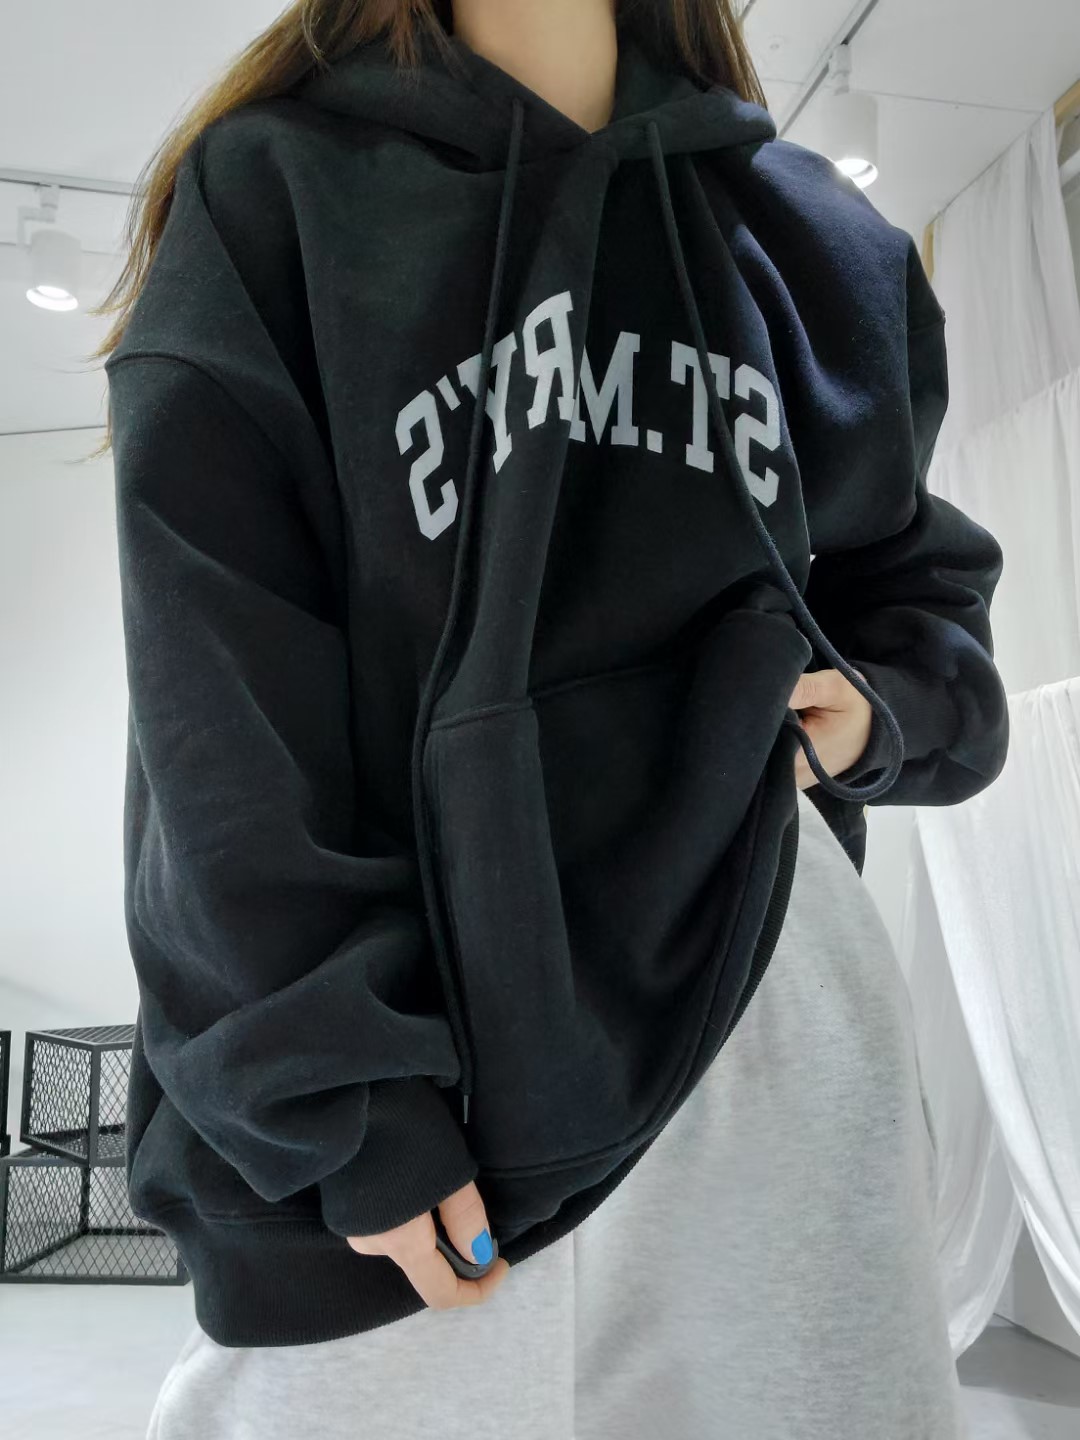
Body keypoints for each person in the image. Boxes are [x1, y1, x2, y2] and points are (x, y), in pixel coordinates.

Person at [91, 0, 1009, 1435]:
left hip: (764, 1007)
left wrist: (883, 708)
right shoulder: (278, 189)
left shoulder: (813, 236)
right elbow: (217, 702)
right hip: (421, 1041)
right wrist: (340, 1092)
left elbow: (921, 577)